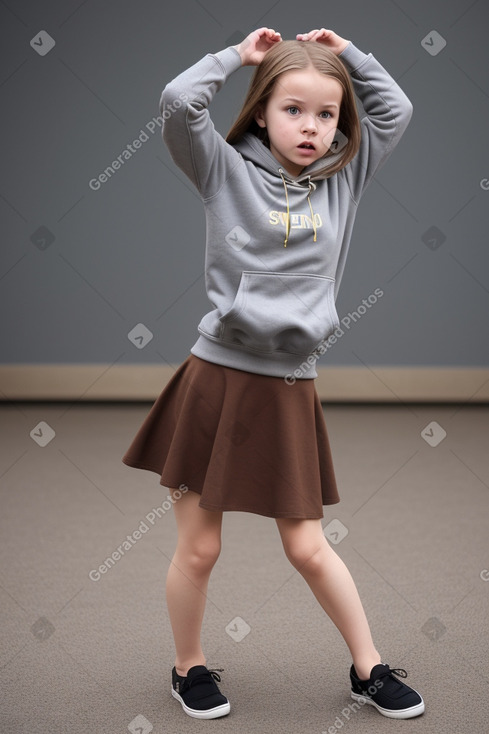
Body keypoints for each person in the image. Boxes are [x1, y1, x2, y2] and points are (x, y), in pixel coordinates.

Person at [122, 27, 424, 722]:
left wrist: (348, 55)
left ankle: (367, 667)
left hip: (291, 385)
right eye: (293, 109)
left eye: (325, 114)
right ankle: (188, 667)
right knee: (199, 550)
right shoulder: (220, 169)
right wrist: (236, 57)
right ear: (260, 110)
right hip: (216, 380)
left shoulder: (346, 176)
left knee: (309, 547)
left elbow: (394, 111)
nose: (312, 127)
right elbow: (176, 103)